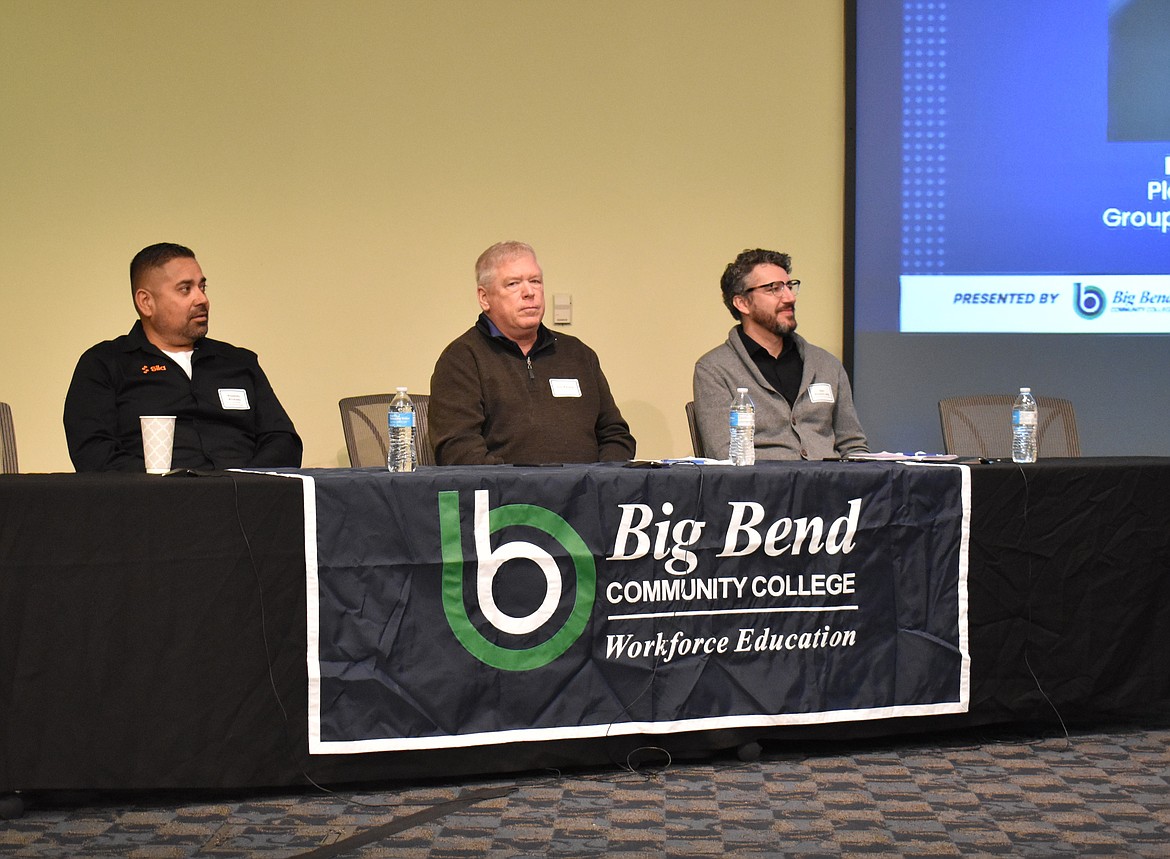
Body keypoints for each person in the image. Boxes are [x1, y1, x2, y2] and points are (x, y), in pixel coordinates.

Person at [64, 242, 302, 472]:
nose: (202, 300)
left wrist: (245, 482)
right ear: (146, 302)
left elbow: (283, 440)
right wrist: (168, 486)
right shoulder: (105, 364)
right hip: (153, 504)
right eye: (185, 289)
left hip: (245, 500)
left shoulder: (239, 362)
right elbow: (93, 453)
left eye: (202, 287)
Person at [429, 241, 635, 465]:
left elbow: (615, 435)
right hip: (509, 498)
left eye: (535, 281)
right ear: (484, 298)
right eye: (513, 284)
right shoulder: (462, 359)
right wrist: (526, 488)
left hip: (587, 495)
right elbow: (459, 450)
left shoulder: (578, 354)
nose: (529, 292)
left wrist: (601, 480)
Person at [693, 248, 868, 461]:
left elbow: (852, 445)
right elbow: (724, 455)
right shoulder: (715, 369)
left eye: (789, 286)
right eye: (773, 289)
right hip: (762, 490)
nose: (789, 297)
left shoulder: (825, 364)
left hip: (831, 488)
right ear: (742, 303)